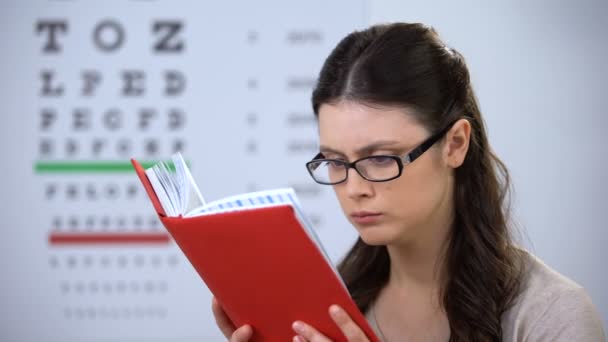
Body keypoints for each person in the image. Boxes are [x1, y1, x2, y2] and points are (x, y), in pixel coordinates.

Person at [211, 22, 606, 341]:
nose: (354, 188)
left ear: (455, 144)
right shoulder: (328, 312)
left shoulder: (549, 317)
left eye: (381, 158)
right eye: (334, 161)